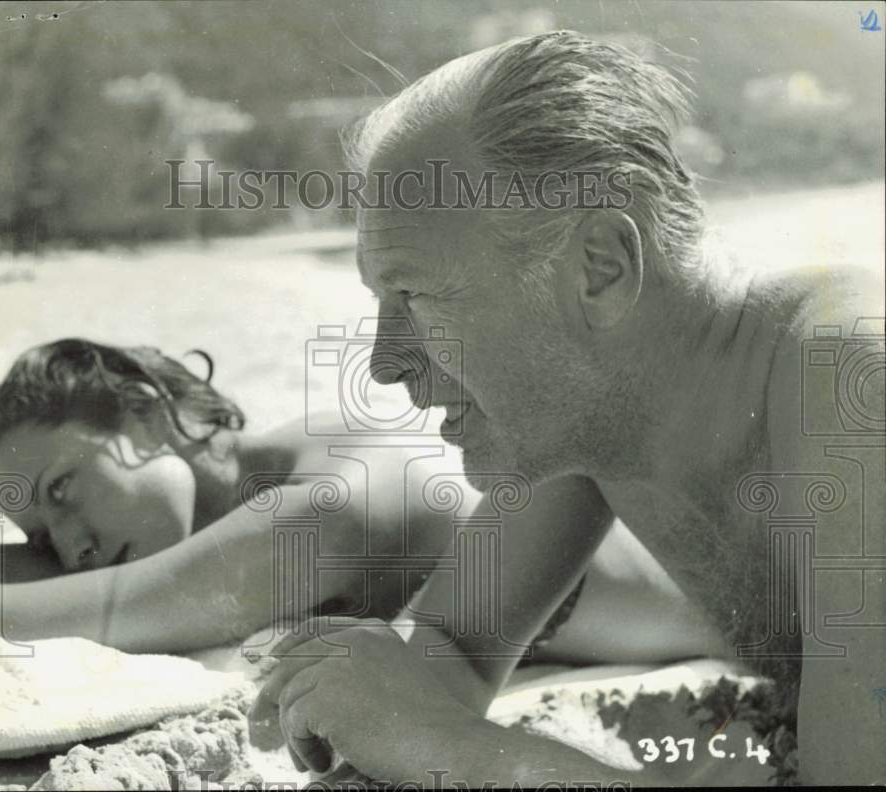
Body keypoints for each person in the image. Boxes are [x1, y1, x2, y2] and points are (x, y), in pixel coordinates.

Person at [247, 31, 885, 785]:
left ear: (601, 269)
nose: (384, 363)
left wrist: (449, 745)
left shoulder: (851, 389)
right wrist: (375, 687)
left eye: (415, 296)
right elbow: (451, 647)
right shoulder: (600, 408)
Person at [0, 337, 719, 666]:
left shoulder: (326, 503)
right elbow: (38, 575)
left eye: (64, 491)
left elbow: (109, 606)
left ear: (145, 412)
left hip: (769, 623)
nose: (66, 543)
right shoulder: (265, 469)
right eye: (43, 531)